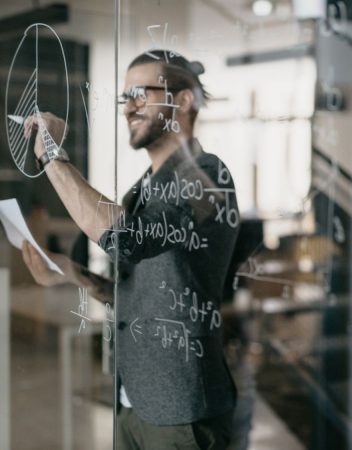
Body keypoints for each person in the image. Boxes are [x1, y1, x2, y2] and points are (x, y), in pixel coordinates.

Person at [21, 49, 239, 449]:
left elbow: (127, 238)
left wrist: (52, 155)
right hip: (132, 402)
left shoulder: (208, 176)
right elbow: (133, 293)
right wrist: (72, 272)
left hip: (181, 412)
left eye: (140, 93)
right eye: (125, 97)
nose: (128, 108)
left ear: (184, 100)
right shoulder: (142, 189)